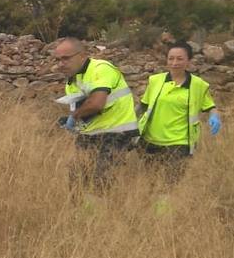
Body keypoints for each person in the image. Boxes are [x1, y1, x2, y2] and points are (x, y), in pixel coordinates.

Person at [51, 37, 139, 179]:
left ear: (81, 56)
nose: (60, 64)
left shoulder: (101, 69)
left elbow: (96, 103)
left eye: (66, 59)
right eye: (57, 60)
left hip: (116, 132)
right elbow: (85, 111)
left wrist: (73, 117)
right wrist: (72, 120)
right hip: (91, 134)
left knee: (101, 181)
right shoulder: (71, 82)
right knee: (76, 179)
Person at [136, 40, 221, 160]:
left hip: (179, 144)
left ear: (188, 62)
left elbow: (211, 107)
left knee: (173, 179)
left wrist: (215, 116)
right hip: (150, 142)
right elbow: (143, 105)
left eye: (180, 59)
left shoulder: (198, 85)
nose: (174, 63)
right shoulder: (155, 81)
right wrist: (128, 124)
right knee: (151, 178)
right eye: (171, 58)